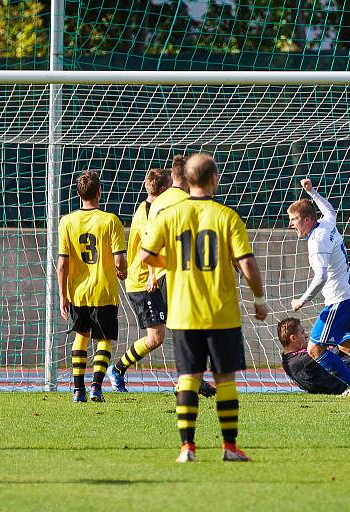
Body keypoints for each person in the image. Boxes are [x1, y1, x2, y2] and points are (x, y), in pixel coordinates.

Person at [139, 153, 268, 463]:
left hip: (183, 311)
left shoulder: (169, 215)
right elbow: (246, 262)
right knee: (225, 379)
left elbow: (145, 255)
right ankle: (230, 447)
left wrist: (171, 262)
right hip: (221, 312)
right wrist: (259, 298)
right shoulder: (227, 216)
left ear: (183, 179)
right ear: (214, 179)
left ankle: (187, 448)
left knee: (188, 377)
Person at [287, 179, 350, 397]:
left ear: (307, 219)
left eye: (294, 219)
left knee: (314, 349)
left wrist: (302, 301)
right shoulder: (326, 223)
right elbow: (329, 210)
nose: (291, 224)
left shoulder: (316, 241)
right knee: (348, 347)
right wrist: (312, 192)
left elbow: (320, 276)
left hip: (338, 300)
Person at [145, 155, 215, 397]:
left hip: (162, 274)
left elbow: (151, 241)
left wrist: (152, 274)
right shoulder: (191, 200)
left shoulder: (156, 203)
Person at [57, 170, 126, 403]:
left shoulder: (66, 222)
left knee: (81, 336)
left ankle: (78, 391)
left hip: (78, 292)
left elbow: (62, 264)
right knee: (104, 339)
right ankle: (96, 387)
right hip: (104, 291)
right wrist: (122, 271)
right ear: (99, 192)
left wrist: (63, 295)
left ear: (78, 194)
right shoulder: (111, 221)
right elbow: (119, 260)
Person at [107, 169, 171, 392]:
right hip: (144, 281)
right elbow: (149, 247)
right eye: (171, 186)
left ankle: (192, 376)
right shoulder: (146, 213)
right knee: (155, 338)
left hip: (155, 277)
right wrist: (153, 274)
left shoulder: (156, 209)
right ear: (163, 189)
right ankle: (117, 369)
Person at [277, 317, 350, 395]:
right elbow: (339, 348)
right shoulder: (299, 361)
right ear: (293, 338)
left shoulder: (289, 359)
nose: (306, 335)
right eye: (302, 332)